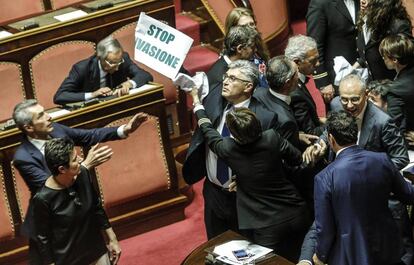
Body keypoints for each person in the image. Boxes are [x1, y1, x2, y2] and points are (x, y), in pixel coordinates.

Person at [12, 99, 147, 264]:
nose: (49, 117)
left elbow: (88, 135)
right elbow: (51, 186)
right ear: (29, 127)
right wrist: (84, 166)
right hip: (53, 225)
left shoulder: (57, 130)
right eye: (41, 115)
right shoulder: (23, 157)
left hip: (78, 215)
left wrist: (123, 129)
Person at [299, 74, 411, 265]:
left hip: (378, 199)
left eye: (354, 99)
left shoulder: (383, 122)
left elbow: (400, 157)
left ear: (366, 95)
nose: (349, 105)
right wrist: (320, 144)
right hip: (343, 190)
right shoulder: (335, 106)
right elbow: (331, 131)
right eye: (344, 99)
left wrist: (374, 170)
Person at [189, 99, 310, 262]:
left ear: (234, 134)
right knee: (300, 258)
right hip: (296, 211)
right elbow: (296, 159)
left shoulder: (228, 148)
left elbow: (207, 130)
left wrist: (199, 108)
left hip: (266, 225)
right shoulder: (272, 137)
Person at [183, 60, 278, 239]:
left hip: (243, 196)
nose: (225, 81)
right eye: (226, 76)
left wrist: (247, 179)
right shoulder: (213, 99)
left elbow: (269, 163)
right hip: (213, 192)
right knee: (216, 247)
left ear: (248, 86)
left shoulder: (264, 117)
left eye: (233, 78)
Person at [312, 110, 414, 265]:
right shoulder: (382, 160)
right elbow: (408, 194)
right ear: (355, 135)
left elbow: (325, 229)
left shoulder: (324, 178)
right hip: (386, 247)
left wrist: (321, 256)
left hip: (350, 254)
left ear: (331, 139)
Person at [32, 138, 120, 265]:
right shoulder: (43, 199)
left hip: (97, 251)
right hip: (69, 260)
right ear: (62, 169)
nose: (80, 159)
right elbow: (42, 238)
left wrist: (113, 239)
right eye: (74, 159)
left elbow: (97, 208)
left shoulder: (82, 174)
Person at [54, 35, 153, 105]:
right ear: (99, 57)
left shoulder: (123, 59)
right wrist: (93, 94)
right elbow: (60, 96)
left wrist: (129, 84)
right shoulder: (82, 68)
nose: (117, 67)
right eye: (112, 63)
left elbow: (145, 75)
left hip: (118, 106)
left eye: (119, 62)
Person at [254, 55, 318, 149]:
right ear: (288, 82)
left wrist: (297, 136)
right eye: (297, 73)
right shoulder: (286, 121)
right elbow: (291, 155)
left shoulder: (259, 93)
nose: (299, 75)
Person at [306, 0, 360, 104]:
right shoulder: (320, 3)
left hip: (361, 70)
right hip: (336, 77)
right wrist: (323, 82)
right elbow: (314, 45)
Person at [355, 0, 412, 81]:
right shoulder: (364, 20)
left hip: (394, 88)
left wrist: (390, 89)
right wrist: (351, 70)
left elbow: (408, 64)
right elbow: (368, 51)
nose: (363, 1)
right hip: (375, 86)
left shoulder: (398, 24)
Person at [285, 35, 325, 136]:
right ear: (297, 62)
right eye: (312, 61)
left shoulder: (293, 79)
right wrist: (333, 124)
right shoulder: (294, 92)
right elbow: (310, 133)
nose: (317, 64)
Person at [224, 7, 270, 87]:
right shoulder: (231, 57)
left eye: (252, 24)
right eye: (244, 26)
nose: (251, 29)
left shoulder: (258, 44)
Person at [379, 33, 414, 133]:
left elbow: (395, 128)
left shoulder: (395, 90)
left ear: (394, 59)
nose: (383, 59)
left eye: (384, 57)